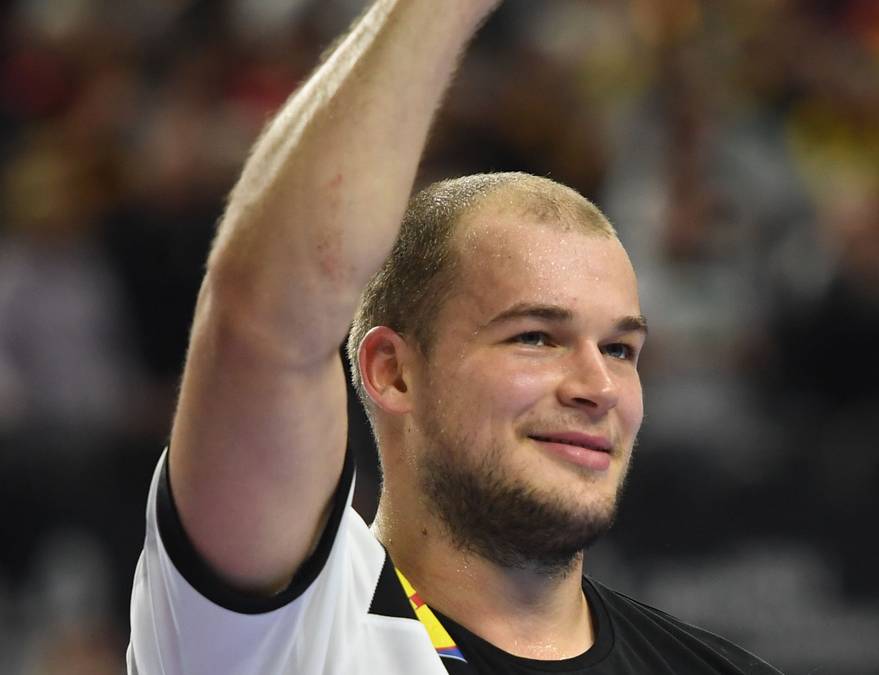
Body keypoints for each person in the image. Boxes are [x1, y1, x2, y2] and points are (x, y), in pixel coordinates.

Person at [127, 1, 782, 673]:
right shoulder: (287, 633)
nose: (597, 387)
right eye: (535, 337)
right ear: (392, 371)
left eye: (620, 348)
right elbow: (262, 324)